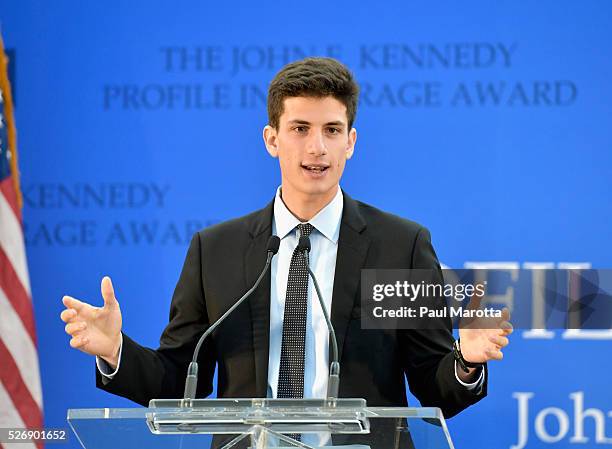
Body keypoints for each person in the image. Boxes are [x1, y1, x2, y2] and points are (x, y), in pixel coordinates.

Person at [61, 57, 511, 432]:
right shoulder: (215, 249)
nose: (317, 148)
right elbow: (183, 381)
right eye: (300, 128)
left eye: (332, 130)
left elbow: (434, 388)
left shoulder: (402, 245)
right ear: (271, 139)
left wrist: (466, 361)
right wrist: (115, 351)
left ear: (351, 143)